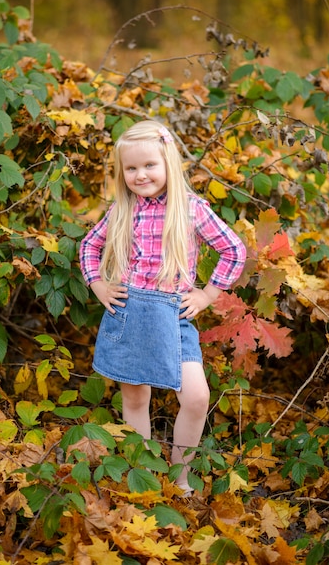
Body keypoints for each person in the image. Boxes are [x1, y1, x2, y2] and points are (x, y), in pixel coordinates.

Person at [79, 120, 246, 496]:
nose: (140, 175)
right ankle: (142, 476)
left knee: (196, 396)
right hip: (129, 312)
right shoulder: (122, 210)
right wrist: (99, 285)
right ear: (122, 172)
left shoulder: (190, 210)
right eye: (131, 168)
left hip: (173, 315)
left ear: (168, 161)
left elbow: (234, 250)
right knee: (136, 396)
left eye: (149, 165)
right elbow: (88, 247)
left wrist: (206, 295)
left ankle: (179, 476)